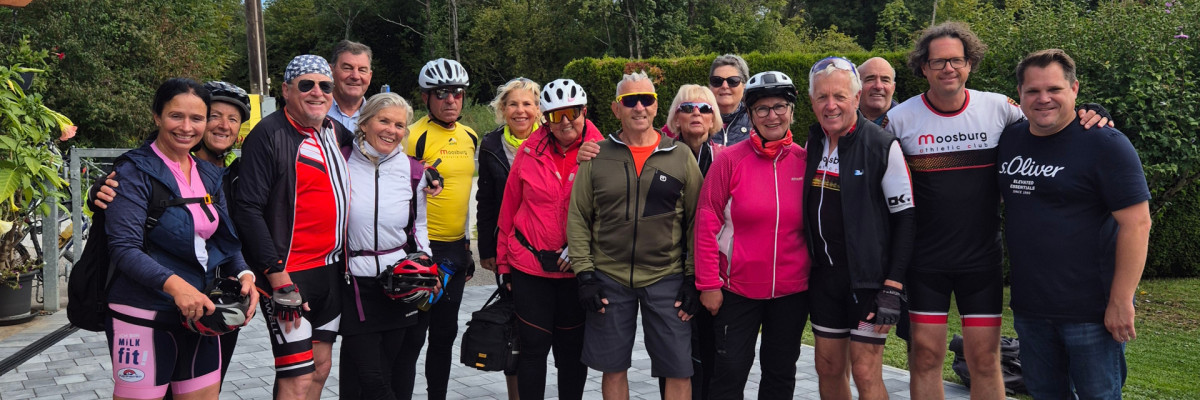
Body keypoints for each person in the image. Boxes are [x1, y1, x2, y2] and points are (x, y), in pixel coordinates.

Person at [884, 22, 1110, 400]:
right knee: (924, 357)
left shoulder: (998, 108)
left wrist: (1091, 111)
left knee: (985, 360)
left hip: (981, 260)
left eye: (956, 60)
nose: (948, 68)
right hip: (925, 262)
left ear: (970, 63)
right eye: (938, 61)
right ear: (923, 67)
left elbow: (1050, 124)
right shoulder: (901, 118)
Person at [998, 48, 1151, 399]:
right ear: (1019, 94)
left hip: (1091, 312)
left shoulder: (1105, 144)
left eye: (1054, 89)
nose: (1043, 98)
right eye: (1033, 90)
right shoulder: (1010, 139)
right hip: (1031, 308)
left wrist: (1121, 300)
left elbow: (1138, 224)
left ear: (1075, 89)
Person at [105, 78, 258, 400]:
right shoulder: (134, 171)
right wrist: (177, 287)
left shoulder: (208, 174)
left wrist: (245, 275)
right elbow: (124, 248)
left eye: (197, 118)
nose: (187, 127)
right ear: (157, 116)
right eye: (176, 116)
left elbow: (223, 240)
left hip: (200, 310)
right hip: (144, 311)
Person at [566, 70, 703, 400]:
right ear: (616, 109)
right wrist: (585, 275)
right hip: (609, 277)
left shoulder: (680, 155)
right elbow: (579, 217)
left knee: (678, 368)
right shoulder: (596, 156)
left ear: (656, 106)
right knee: (613, 368)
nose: (639, 107)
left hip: (666, 277)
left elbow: (698, 221)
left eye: (646, 99)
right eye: (630, 101)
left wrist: (693, 278)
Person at [235, 54, 352, 400]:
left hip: (330, 272)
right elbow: (248, 209)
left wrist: (421, 171)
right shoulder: (267, 134)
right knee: (297, 377)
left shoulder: (334, 130)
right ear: (286, 90)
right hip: (289, 274)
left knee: (320, 368)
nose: (317, 92)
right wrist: (277, 276)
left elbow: (377, 146)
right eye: (306, 85)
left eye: (325, 86)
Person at [803, 57, 916, 400]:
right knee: (827, 367)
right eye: (822, 97)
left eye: (839, 96)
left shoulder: (882, 145)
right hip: (824, 278)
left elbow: (906, 218)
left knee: (866, 372)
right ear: (812, 101)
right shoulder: (812, 142)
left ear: (856, 98)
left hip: (869, 282)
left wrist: (893, 286)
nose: (831, 105)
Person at [694, 71, 811, 399]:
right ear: (750, 114)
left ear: (791, 110)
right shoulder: (729, 161)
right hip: (737, 290)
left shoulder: (805, 161)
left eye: (779, 107)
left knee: (780, 374)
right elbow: (706, 223)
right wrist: (708, 285)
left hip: (791, 292)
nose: (772, 116)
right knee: (729, 373)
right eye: (762, 108)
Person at [496, 78, 602, 400]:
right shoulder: (529, 151)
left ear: (584, 111)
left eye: (572, 112)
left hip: (574, 269)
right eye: (556, 115)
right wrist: (503, 264)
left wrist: (582, 249)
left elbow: (610, 213)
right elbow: (509, 207)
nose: (565, 121)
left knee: (571, 353)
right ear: (546, 118)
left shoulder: (602, 150)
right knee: (533, 349)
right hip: (530, 266)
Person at [339, 92, 434, 400]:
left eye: (399, 125)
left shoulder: (415, 172)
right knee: (372, 377)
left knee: (388, 370)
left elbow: (419, 225)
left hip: (399, 283)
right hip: (355, 281)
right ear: (364, 123)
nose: (391, 130)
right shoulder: (340, 161)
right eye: (384, 121)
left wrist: (425, 263)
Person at [404, 57, 478, 400]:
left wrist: (466, 245)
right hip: (421, 248)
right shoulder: (413, 135)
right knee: (413, 334)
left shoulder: (470, 136)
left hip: (454, 249)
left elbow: (464, 195)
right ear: (425, 97)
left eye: (457, 93)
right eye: (442, 93)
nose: (451, 100)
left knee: (445, 334)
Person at [476, 77, 541, 400]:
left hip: (545, 248)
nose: (520, 110)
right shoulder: (491, 144)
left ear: (538, 109)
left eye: (527, 103)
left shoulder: (550, 140)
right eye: (513, 104)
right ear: (502, 109)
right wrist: (487, 249)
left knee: (545, 331)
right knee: (514, 329)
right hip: (508, 249)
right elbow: (485, 201)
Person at [707, 54, 753, 146]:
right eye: (717, 81)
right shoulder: (698, 119)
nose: (724, 86)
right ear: (710, 86)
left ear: (744, 86)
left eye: (732, 81)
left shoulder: (756, 120)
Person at [328, 40, 373, 132]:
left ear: (370, 76)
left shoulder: (377, 117)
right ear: (331, 71)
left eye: (362, 70)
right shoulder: (313, 112)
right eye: (347, 68)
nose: (355, 76)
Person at [858, 57, 899, 127]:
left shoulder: (907, 121)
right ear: (857, 85)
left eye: (885, 80)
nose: (878, 86)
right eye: (870, 79)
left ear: (893, 88)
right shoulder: (843, 119)